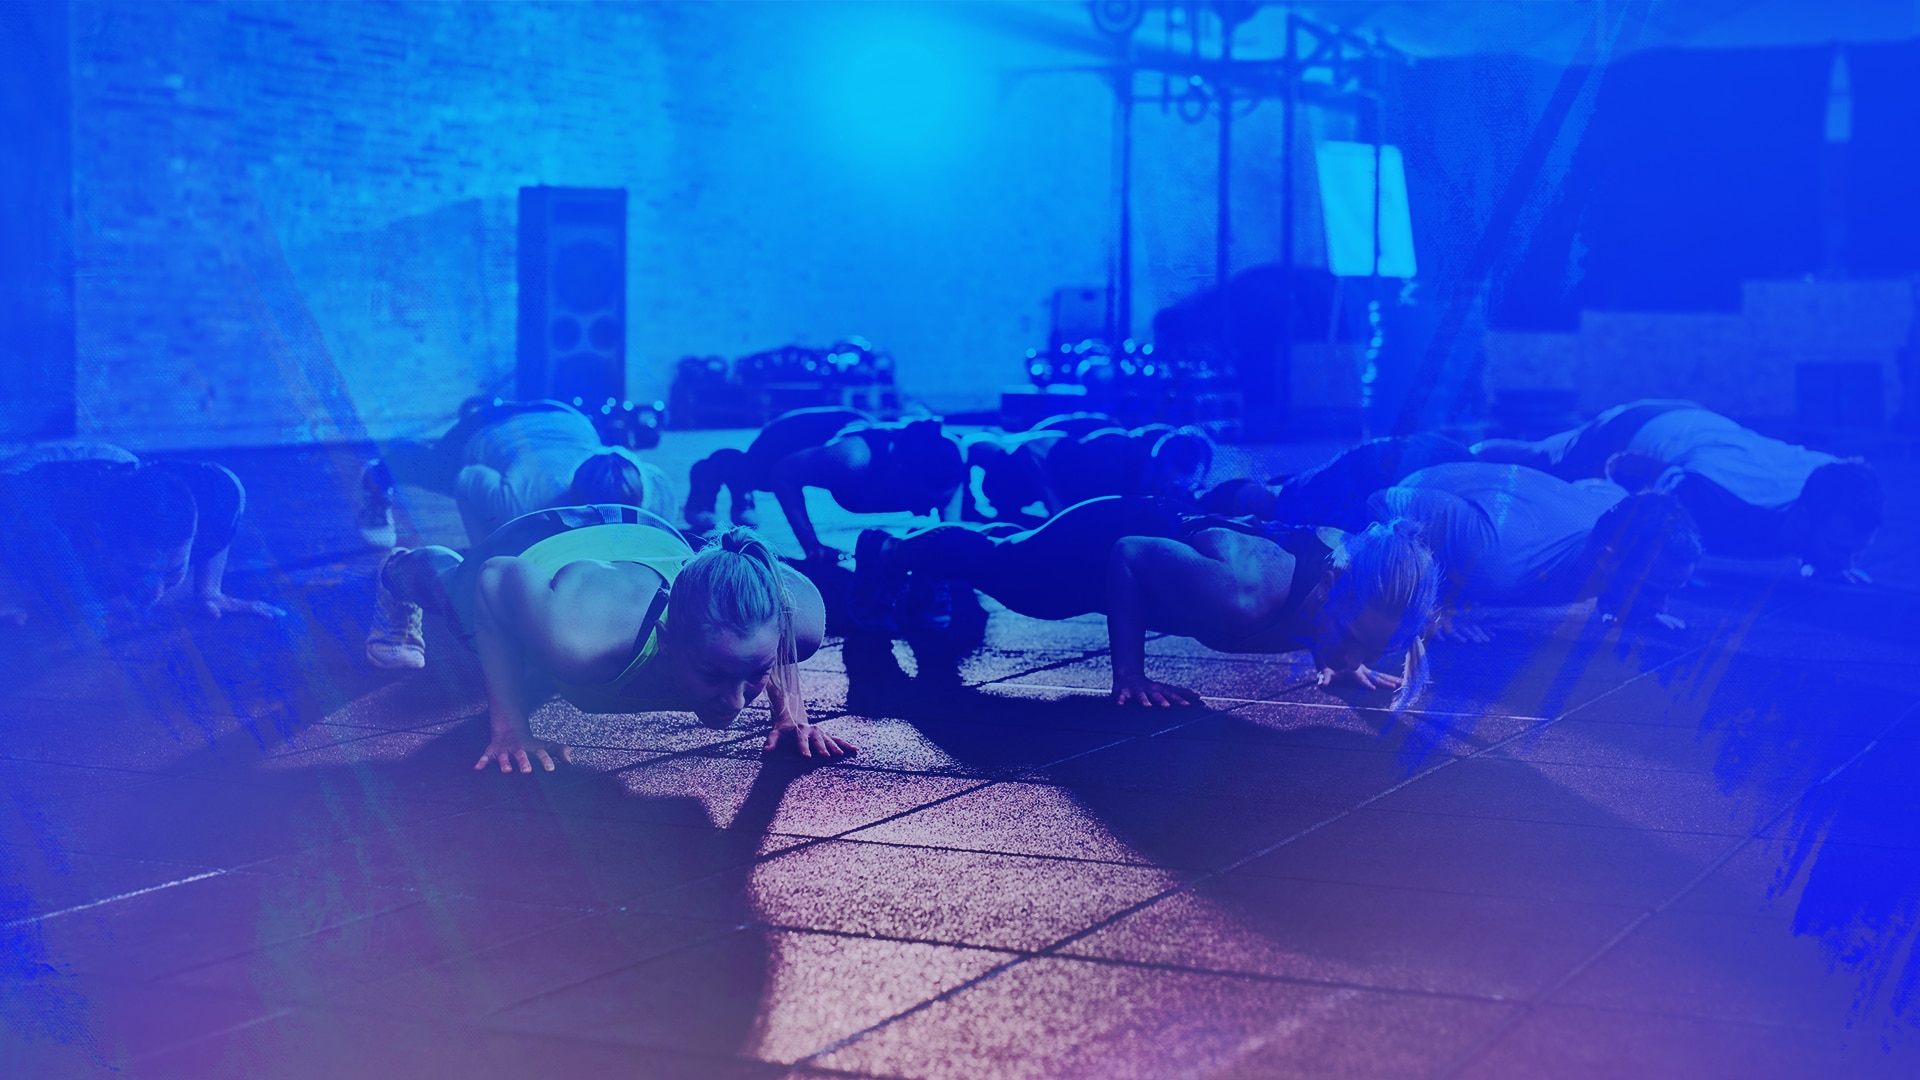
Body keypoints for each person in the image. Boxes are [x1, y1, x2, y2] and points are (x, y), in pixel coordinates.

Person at [366, 507, 851, 770]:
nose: (736, 701)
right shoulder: (578, 641)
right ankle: (397, 569)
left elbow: (770, 605)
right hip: (535, 544)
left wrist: (790, 714)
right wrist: (509, 727)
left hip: (647, 534)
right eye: (714, 674)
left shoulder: (801, 621)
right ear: (666, 640)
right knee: (457, 593)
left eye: (755, 674)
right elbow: (495, 578)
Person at [850, 496, 1441, 706]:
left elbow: (1347, 584)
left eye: (1370, 648)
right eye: (1353, 640)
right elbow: (1129, 554)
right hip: (1105, 537)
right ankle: (886, 548)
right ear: (1332, 589)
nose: (1354, 655)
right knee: (1010, 576)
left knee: (1009, 549)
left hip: (1173, 531)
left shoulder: (1354, 571)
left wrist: (1345, 656)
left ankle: (946, 554)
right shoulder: (1243, 597)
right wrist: (1130, 675)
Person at [1471, 400, 1881, 582]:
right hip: (1639, 428)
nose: (1848, 560)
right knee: (1539, 460)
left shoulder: (1835, 481)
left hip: (1703, 424)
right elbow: (1631, 471)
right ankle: (1464, 453)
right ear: (1804, 519)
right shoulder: (1716, 502)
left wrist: (1829, 558)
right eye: (1838, 548)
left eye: (1855, 551)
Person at [1368, 462, 1703, 633]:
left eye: (1667, 592)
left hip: (1512, 493)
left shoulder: (1618, 510)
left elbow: (1600, 487)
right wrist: (1423, 602)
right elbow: (1380, 501)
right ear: (1605, 562)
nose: (1662, 605)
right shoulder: (1496, 559)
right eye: (1652, 590)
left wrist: (1638, 605)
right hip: (1421, 469)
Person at [0, 442, 280, 638]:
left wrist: (209, 591)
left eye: (172, 572)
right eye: (139, 571)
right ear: (100, 539)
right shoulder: (35, 512)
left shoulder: (217, 496)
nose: (155, 592)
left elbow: (228, 495)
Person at [358, 398, 674, 548]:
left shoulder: (639, 481)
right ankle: (377, 477)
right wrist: (485, 554)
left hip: (564, 413)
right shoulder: (521, 503)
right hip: (482, 428)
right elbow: (469, 479)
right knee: (436, 472)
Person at [684, 408, 967, 563]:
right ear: (899, 473)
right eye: (920, 502)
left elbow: (950, 528)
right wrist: (812, 545)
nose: (924, 510)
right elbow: (783, 475)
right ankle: (712, 471)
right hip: (793, 435)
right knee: (764, 477)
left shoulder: (950, 460)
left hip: (850, 436)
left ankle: (740, 484)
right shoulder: (850, 461)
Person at [967, 415, 1214, 527]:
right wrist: (1059, 511)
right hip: (1016, 470)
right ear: (1161, 465)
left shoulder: (1152, 476)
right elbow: (1034, 447)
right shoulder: (1110, 463)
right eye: (1173, 484)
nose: (1176, 491)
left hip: (1050, 468)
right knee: (980, 449)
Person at [1200, 432, 1476, 530]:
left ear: (1252, 482)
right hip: (1399, 475)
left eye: (1249, 499)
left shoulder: (1289, 486)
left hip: (1401, 458)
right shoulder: (1287, 516)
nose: (1255, 507)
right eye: (1249, 511)